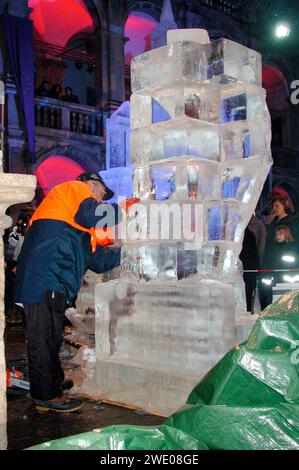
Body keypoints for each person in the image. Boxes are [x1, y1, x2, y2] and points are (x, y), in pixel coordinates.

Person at [15, 172, 127, 413]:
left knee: (52, 336)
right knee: (43, 338)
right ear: (90, 184)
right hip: (45, 275)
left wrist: (126, 253)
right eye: (100, 193)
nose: (100, 199)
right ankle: (45, 395)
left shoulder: (77, 226)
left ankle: (51, 383)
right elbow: (94, 214)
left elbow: (96, 260)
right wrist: (125, 209)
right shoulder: (73, 190)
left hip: (53, 279)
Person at [260, 225, 298, 307]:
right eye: (277, 234)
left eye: (280, 234)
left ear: (286, 234)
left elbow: (293, 262)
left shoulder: (292, 247)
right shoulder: (272, 247)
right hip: (274, 279)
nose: (278, 236)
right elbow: (268, 262)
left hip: (287, 281)